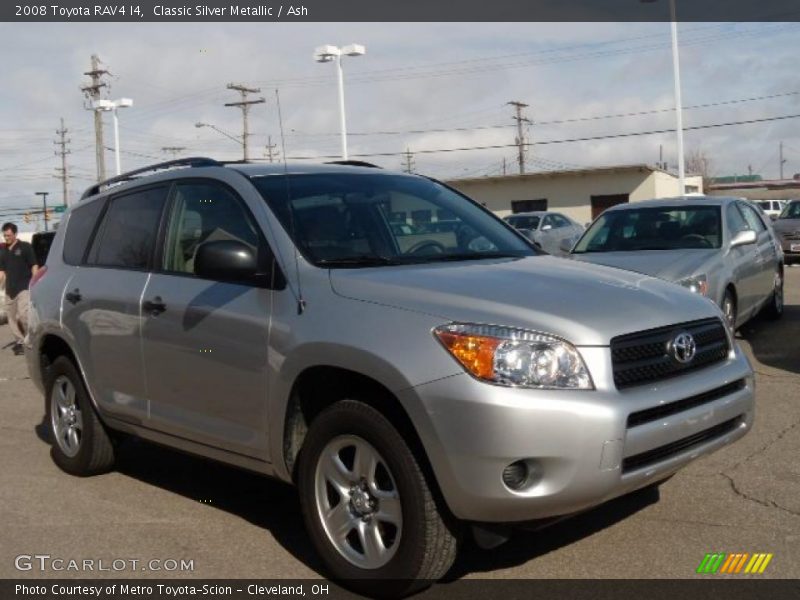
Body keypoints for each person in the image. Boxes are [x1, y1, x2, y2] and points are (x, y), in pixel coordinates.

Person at [0, 222, 38, 355]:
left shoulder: (25, 247)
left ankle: (31, 339)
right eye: (4, 235)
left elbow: (34, 265)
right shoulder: (3, 251)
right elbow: (2, 272)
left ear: (15, 234)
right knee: (10, 317)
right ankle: (20, 341)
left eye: (9, 235)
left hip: (24, 287)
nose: (6, 238)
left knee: (23, 315)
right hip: (10, 289)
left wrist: (35, 282)